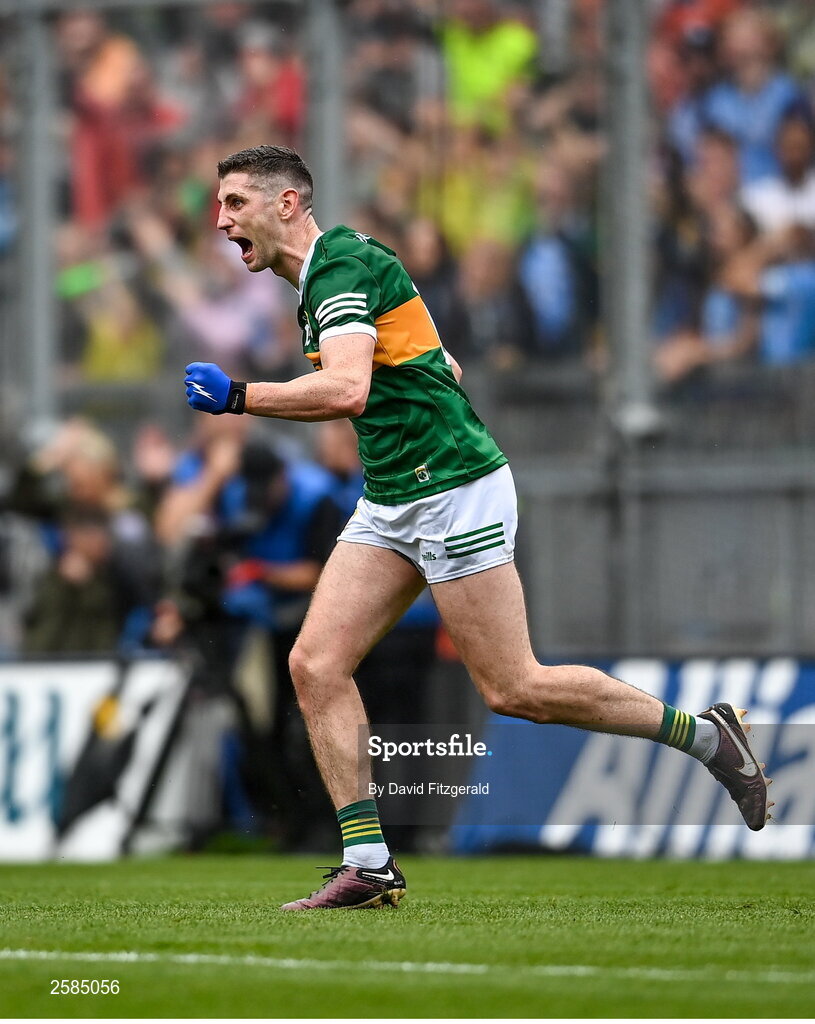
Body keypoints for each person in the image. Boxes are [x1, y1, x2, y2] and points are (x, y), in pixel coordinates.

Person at [182, 144, 772, 911]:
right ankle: (367, 863)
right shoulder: (331, 277)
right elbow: (444, 365)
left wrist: (239, 397)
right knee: (315, 664)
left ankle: (706, 736)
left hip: (453, 488)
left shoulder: (339, 265)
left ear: (287, 203)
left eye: (234, 203)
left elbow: (349, 387)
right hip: (396, 492)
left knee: (513, 687)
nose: (221, 220)